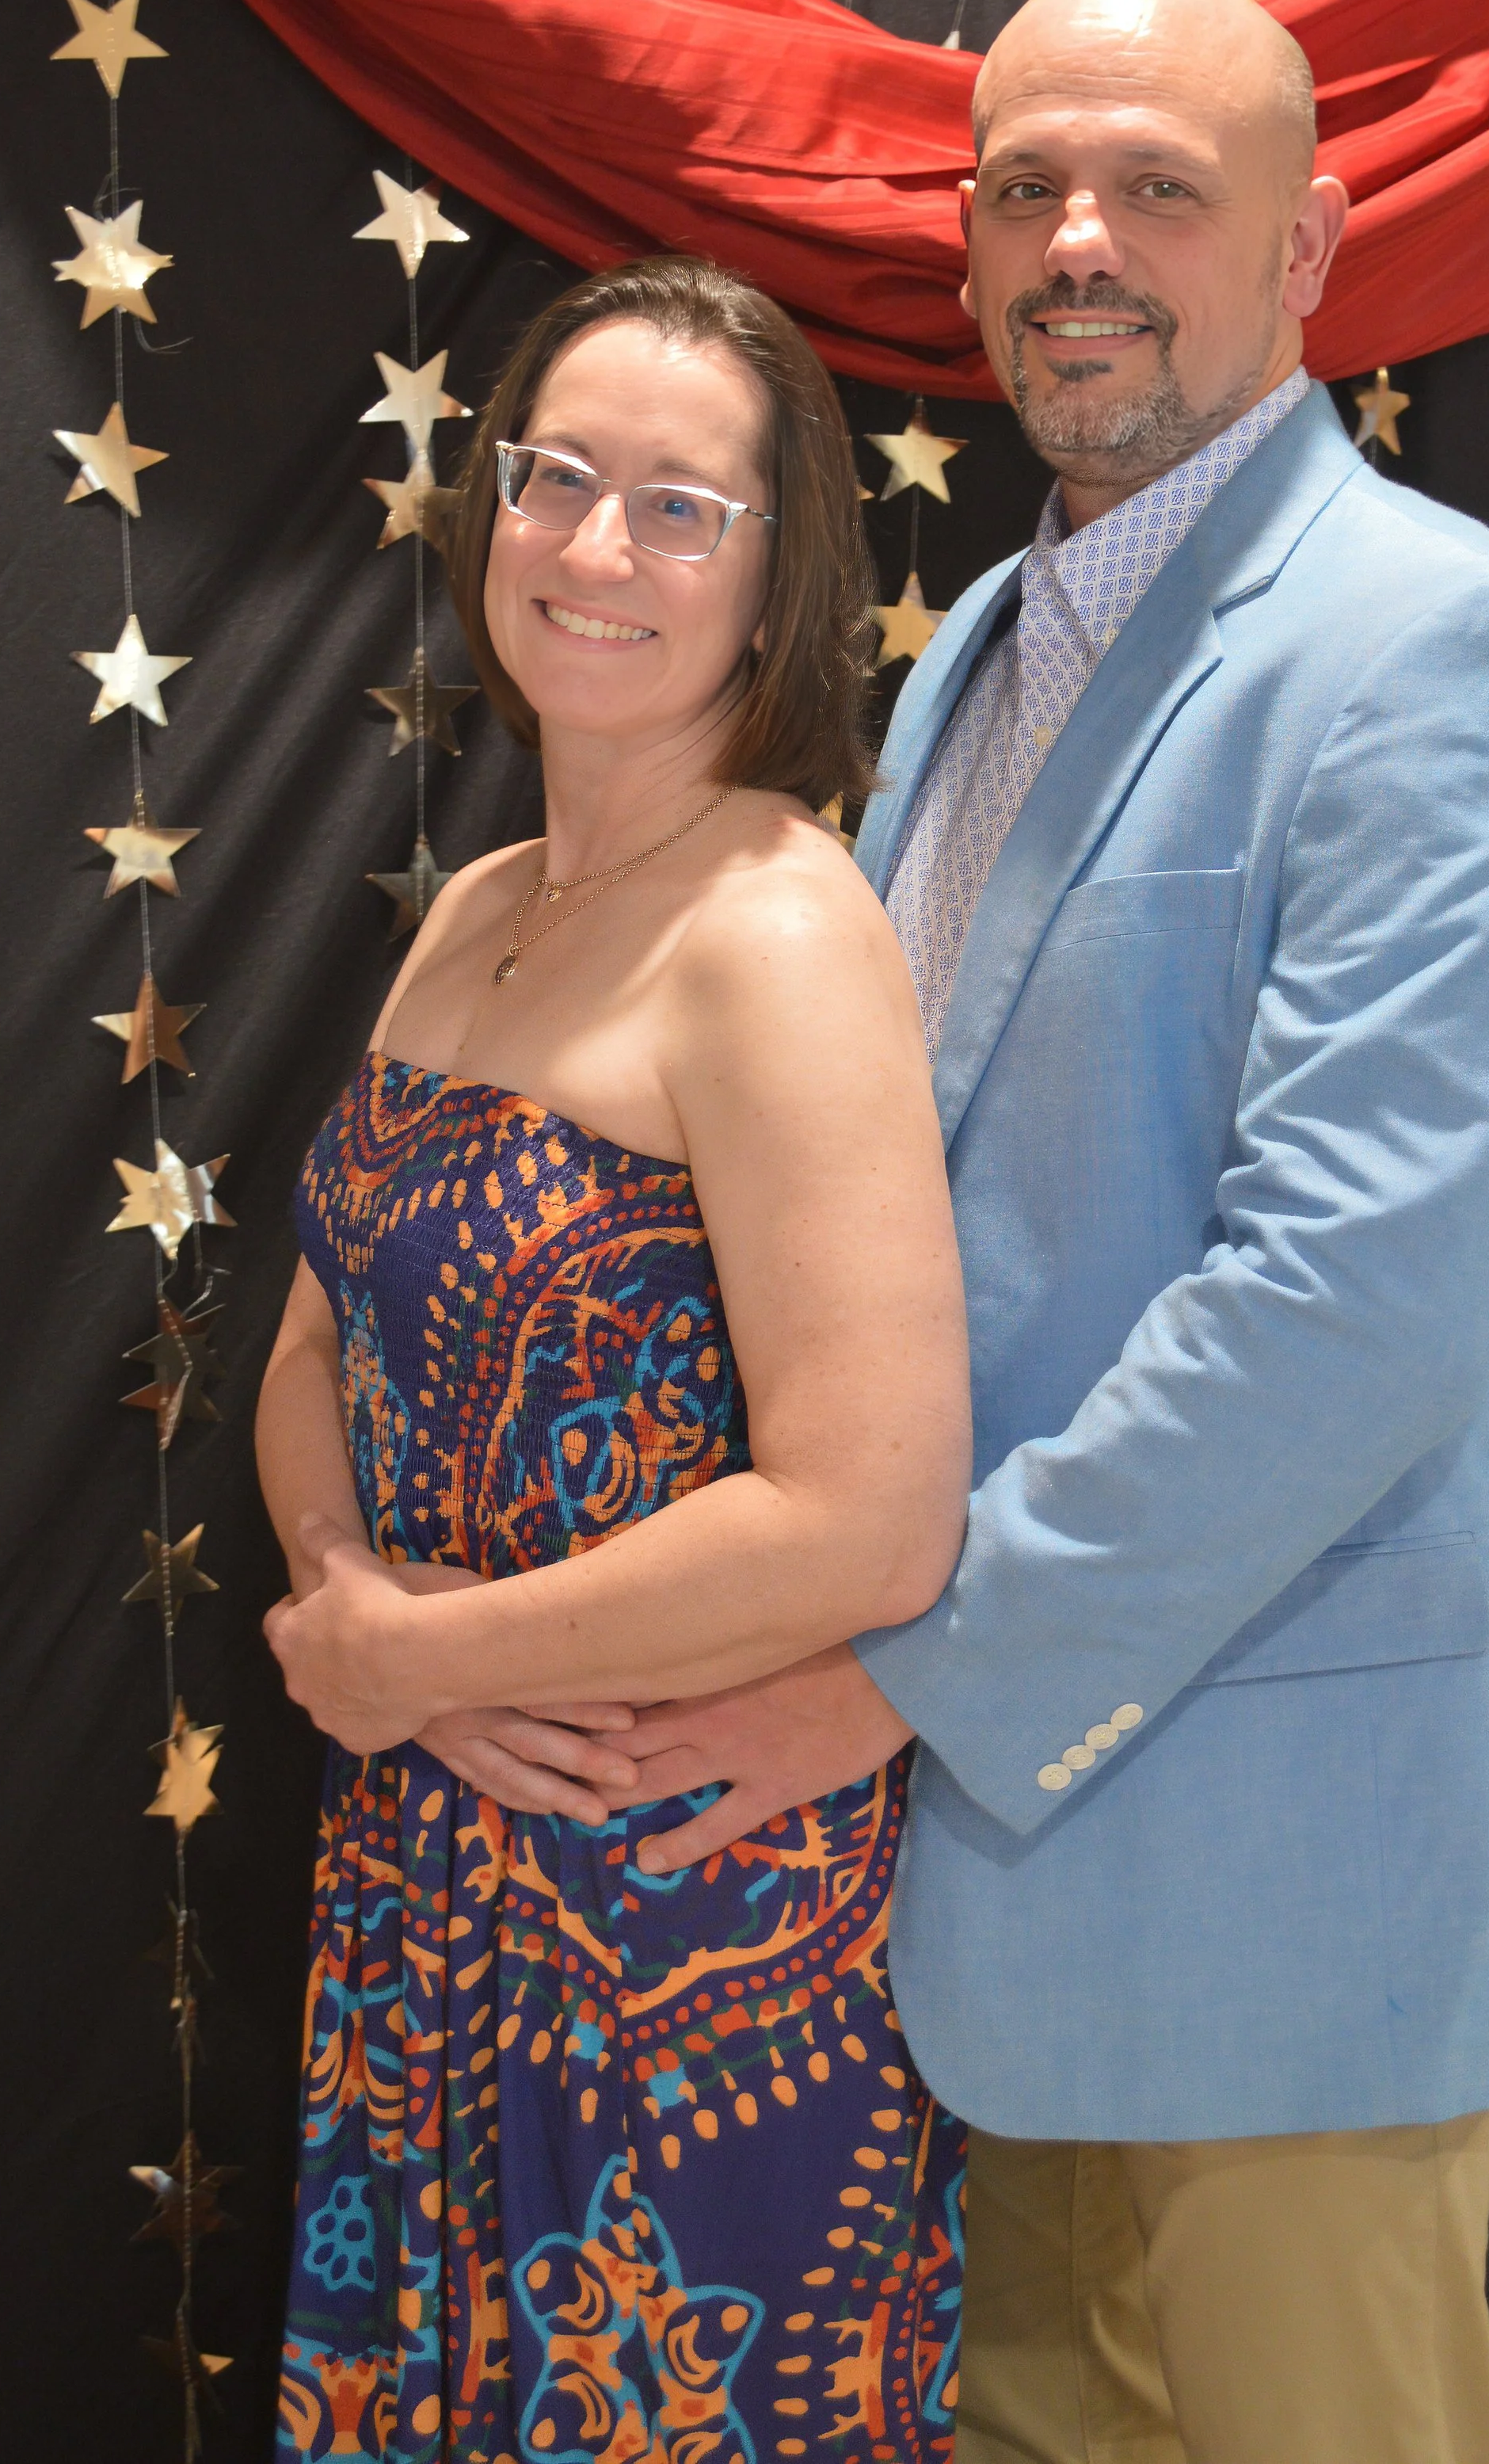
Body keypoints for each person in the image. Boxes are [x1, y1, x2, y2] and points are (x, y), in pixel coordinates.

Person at [597, 0, 1489, 2461]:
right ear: (966, 255)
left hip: (1287, 1867)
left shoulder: (1445, 643)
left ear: (1304, 249)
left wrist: (889, 1675)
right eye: (1025, 188)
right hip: (989, 1879)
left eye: (1157, 188)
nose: (1080, 237)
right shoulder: (975, 645)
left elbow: (1349, 1301)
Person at [256, 256, 971, 2464]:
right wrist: (350, 1602)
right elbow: (309, 1343)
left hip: (682, 1913)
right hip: (427, 1871)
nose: (592, 546)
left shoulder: (775, 928)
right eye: (556, 477)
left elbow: (868, 1513)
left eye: (679, 506)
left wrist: (422, 1664)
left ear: (775, 585)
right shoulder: (480, 909)